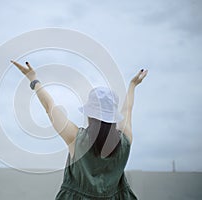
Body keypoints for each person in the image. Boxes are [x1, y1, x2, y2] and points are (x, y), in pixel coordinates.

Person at [11, 60, 148, 200]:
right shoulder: (125, 141)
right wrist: (132, 86)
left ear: (90, 114)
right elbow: (128, 110)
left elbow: (49, 106)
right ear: (113, 118)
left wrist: (33, 79)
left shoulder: (76, 139)